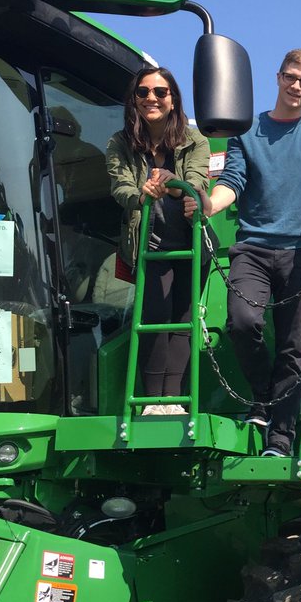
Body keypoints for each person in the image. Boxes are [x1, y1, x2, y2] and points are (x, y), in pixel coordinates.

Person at [190, 50, 301, 458]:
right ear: (279, 77)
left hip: (300, 251)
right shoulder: (247, 130)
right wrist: (210, 205)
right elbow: (232, 179)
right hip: (252, 248)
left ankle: (281, 438)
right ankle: (264, 396)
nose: (298, 87)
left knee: (293, 346)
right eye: (292, 78)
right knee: (241, 322)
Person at [106, 66, 211, 415]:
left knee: (182, 319)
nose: (152, 98)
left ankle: (174, 401)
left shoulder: (196, 140)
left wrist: (177, 183)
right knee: (154, 314)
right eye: (143, 92)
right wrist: (142, 193)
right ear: (134, 99)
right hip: (149, 243)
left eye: (160, 92)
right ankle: (153, 400)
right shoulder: (120, 143)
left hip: (189, 240)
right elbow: (119, 186)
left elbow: (197, 180)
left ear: (173, 99)